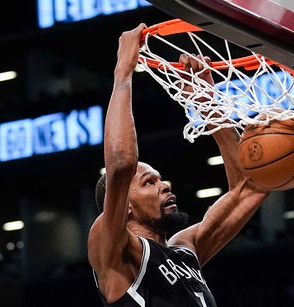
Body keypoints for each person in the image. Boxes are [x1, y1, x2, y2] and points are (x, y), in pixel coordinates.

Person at [87, 23, 271, 306]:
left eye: (159, 179)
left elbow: (252, 187)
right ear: (126, 206)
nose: (165, 185)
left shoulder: (187, 249)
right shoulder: (115, 251)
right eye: (149, 182)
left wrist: (209, 104)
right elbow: (122, 164)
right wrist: (123, 72)